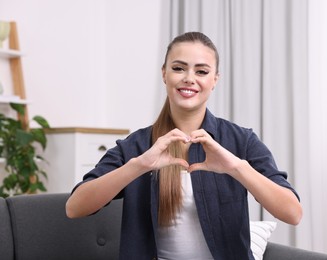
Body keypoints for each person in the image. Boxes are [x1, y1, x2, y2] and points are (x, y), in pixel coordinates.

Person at [66, 31, 302, 260]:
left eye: (201, 71)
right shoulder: (135, 147)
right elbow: (75, 207)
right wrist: (139, 166)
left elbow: (292, 213)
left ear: (214, 80)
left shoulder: (241, 141)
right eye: (179, 68)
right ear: (164, 74)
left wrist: (237, 168)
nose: (189, 78)